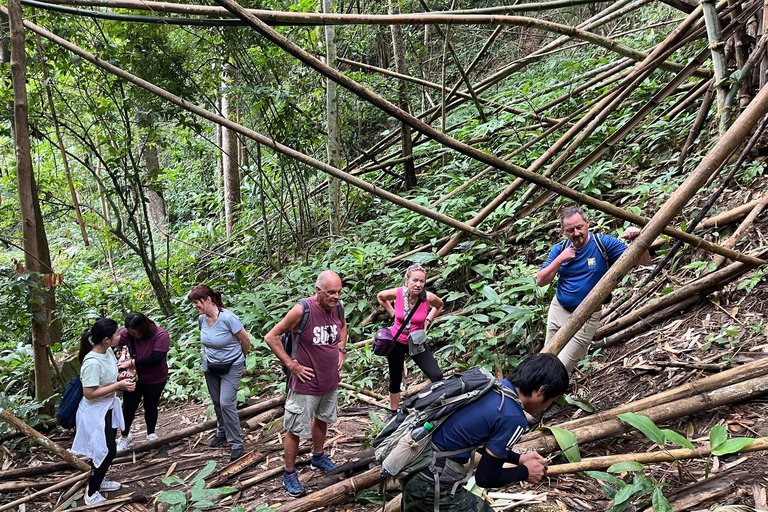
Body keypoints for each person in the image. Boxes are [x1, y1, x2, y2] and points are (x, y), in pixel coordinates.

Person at [401, 353, 569, 512]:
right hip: (430, 481)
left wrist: (519, 459)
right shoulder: (514, 417)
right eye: (551, 401)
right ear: (541, 391)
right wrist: (525, 472)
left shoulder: (490, 388)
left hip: (411, 463)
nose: (547, 407)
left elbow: (474, 438)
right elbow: (485, 478)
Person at [536, 206, 651, 373]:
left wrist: (638, 239)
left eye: (579, 227)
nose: (576, 233)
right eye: (570, 230)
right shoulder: (560, 249)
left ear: (587, 223)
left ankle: (549, 396)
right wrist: (560, 259)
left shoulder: (603, 244)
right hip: (558, 310)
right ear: (562, 231)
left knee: (559, 368)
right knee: (546, 360)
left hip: (587, 317)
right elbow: (541, 281)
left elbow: (644, 261)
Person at [265, 270, 348, 497]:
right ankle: (289, 473)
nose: (336, 297)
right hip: (304, 384)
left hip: (329, 380)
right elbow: (271, 336)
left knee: (322, 419)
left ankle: (318, 457)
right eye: (331, 292)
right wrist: (291, 365)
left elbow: (342, 327)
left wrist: (341, 350)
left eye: (339, 292)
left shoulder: (338, 307)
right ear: (318, 291)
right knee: (295, 429)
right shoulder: (303, 310)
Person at [70, 318, 136, 505]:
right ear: (106, 339)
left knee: (106, 449)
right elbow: (89, 393)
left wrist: (119, 376)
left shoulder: (108, 352)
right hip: (94, 412)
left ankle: (100, 479)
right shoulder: (91, 362)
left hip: (106, 407)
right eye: (116, 333)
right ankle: (92, 493)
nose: (120, 335)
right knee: (107, 451)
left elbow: (108, 376)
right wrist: (118, 385)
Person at [188, 285, 252, 461]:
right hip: (211, 366)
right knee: (217, 402)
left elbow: (246, 340)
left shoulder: (229, 318)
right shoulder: (202, 319)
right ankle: (221, 432)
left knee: (226, 403)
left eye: (196, 302)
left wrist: (241, 359)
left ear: (208, 300)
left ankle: (236, 443)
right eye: (193, 303)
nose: (194, 306)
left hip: (231, 366)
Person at [377, 264, 444, 414]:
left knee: (436, 375)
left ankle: (433, 407)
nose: (418, 284)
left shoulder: (428, 298)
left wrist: (428, 320)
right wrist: (393, 314)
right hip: (396, 341)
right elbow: (380, 297)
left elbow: (439, 306)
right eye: (415, 280)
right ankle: (393, 413)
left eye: (422, 281)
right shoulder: (398, 293)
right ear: (407, 280)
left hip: (417, 342)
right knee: (395, 378)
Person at [115, 313, 170, 451]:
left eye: (135, 332)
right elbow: (113, 344)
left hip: (155, 377)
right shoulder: (126, 334)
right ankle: (124, 436)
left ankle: (151, 434)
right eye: (130, 332)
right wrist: (120, 352)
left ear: (143, 328)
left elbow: (156, 357)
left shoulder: (160, 335)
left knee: (150, 406)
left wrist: (132, 361)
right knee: (128, 407)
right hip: (133, 377)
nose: (133, 335)